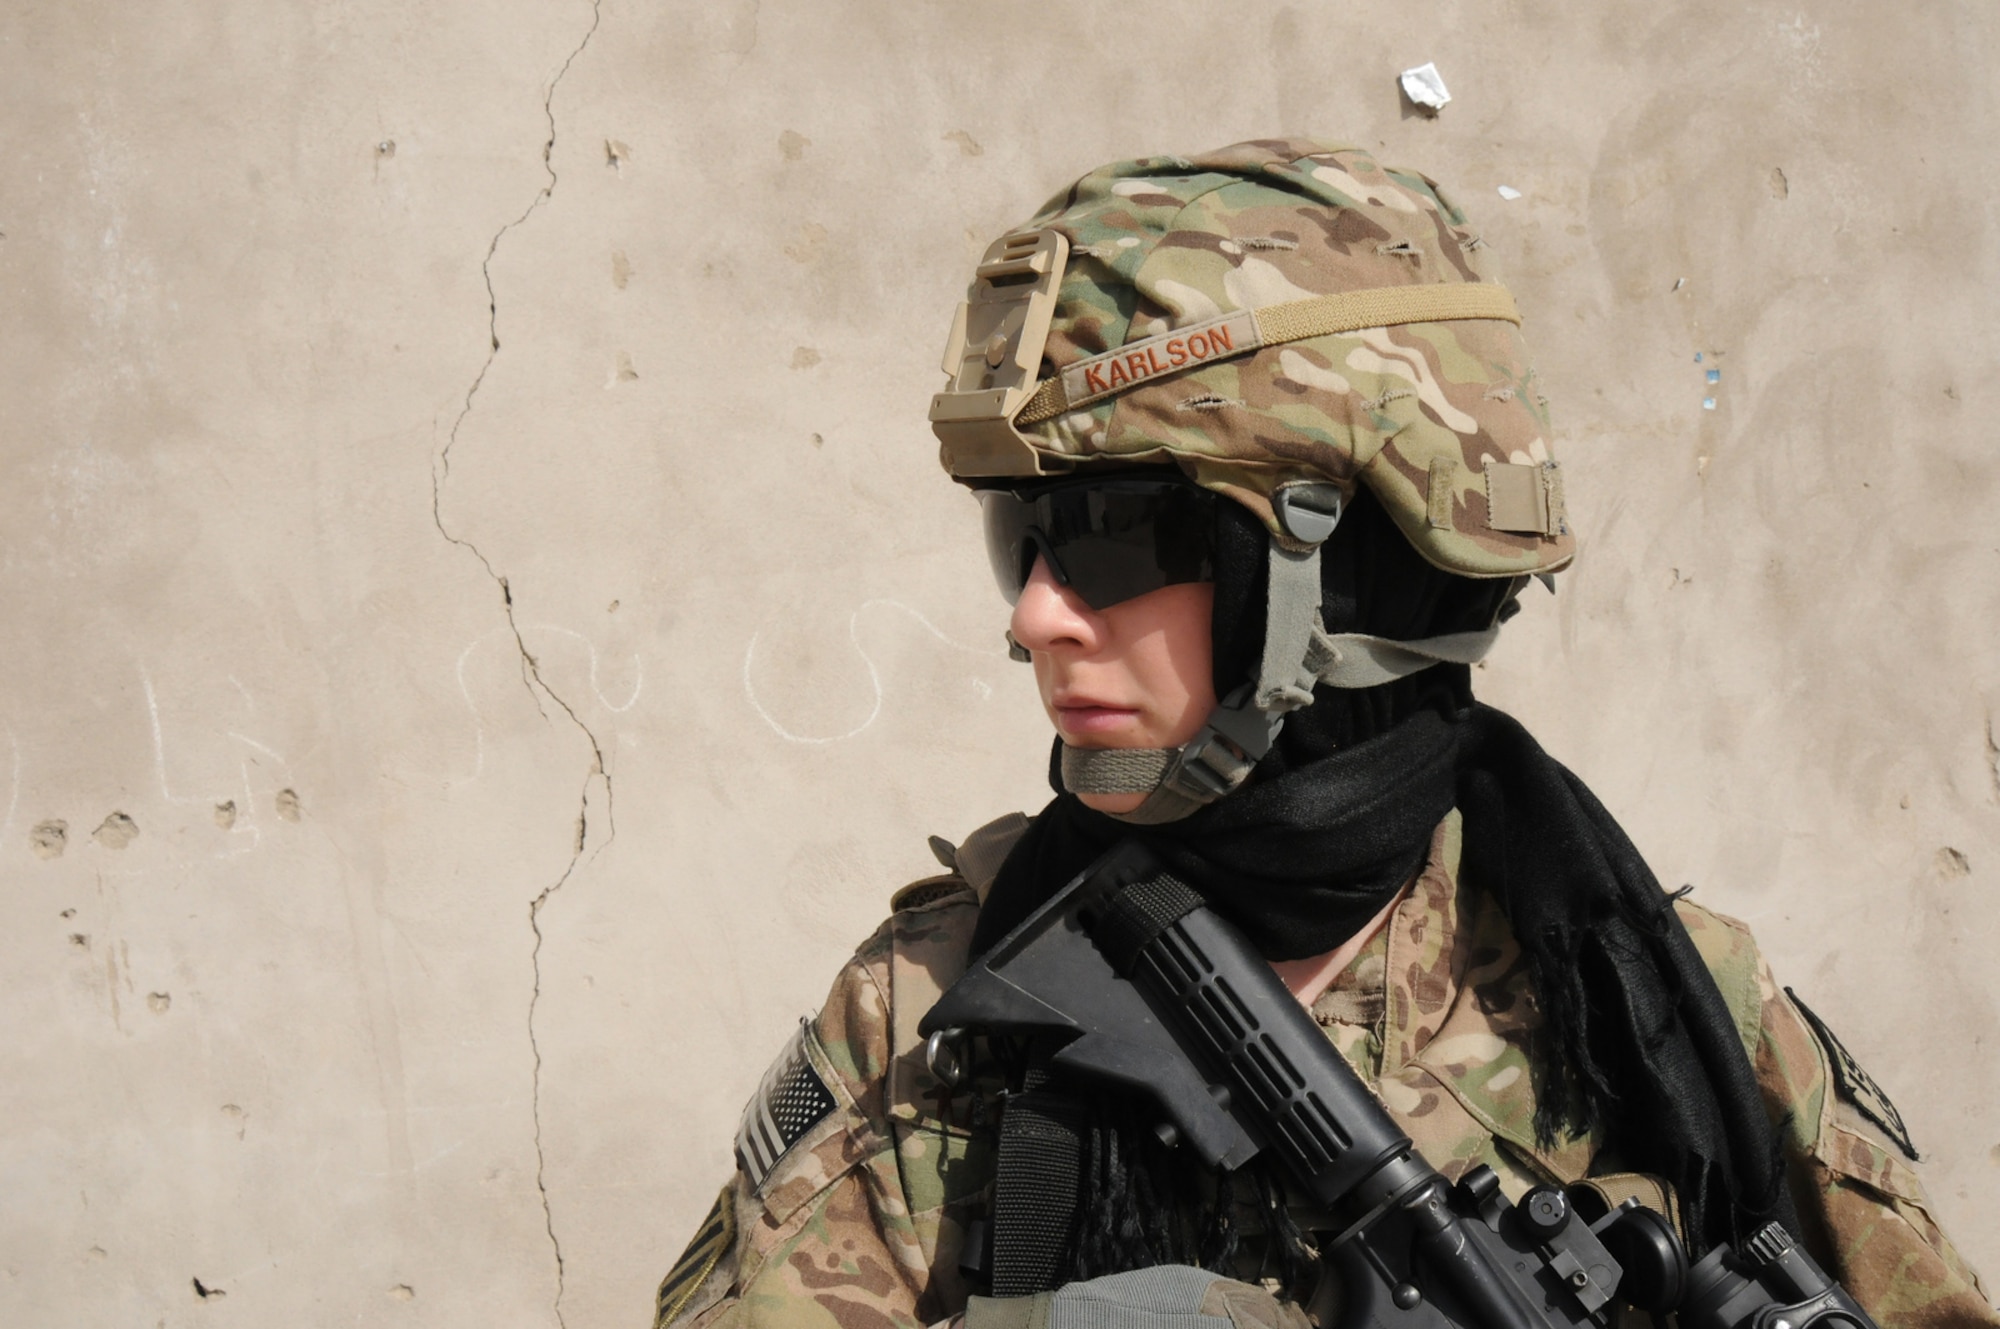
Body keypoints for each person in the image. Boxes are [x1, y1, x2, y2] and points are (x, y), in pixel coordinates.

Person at [650, 139, 1995, 1329]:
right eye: (1024, 542)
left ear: (1335, 565)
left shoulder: (1659, 1007)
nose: (1042, 615)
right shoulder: (943, 1005)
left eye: (1110, 537)